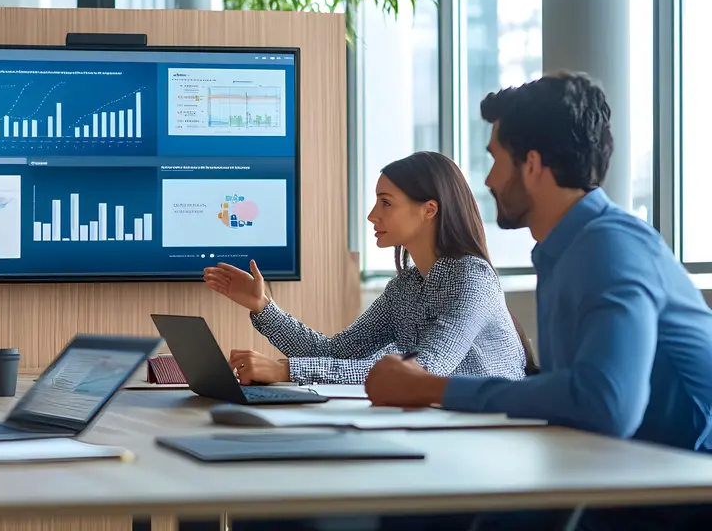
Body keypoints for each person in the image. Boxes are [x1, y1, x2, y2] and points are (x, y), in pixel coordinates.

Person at [365, 72, 712, 529]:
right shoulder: (561, 251)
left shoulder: (610, 248)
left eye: (494, 160)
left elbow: (606, 404)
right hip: (625, 474)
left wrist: (432, 387)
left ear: (531, 164)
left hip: (681, 492)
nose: (487, 180)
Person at [204, 151, 533, 386]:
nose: (372, 215)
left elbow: (426, 369)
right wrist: (263, 307)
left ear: (429, 210)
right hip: (446, 425)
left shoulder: (470, 278)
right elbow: (335, 353)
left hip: (493, 434)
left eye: (386, 202)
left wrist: (287, 371)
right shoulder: (405, 287)